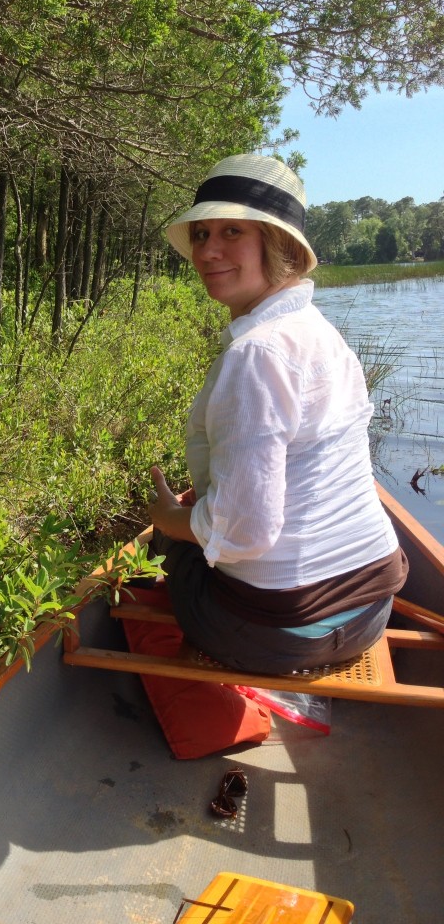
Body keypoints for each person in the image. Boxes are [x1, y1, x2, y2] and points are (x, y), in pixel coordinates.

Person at [147, 153, 407, 674]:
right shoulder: (322, 333)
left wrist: (168, 520)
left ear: (280, 244)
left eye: (230, 231)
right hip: (374, 609)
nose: (207, 250)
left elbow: (246, 534)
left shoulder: (255, 354)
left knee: (173, 546)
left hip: (280, 635)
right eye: (200, 234)